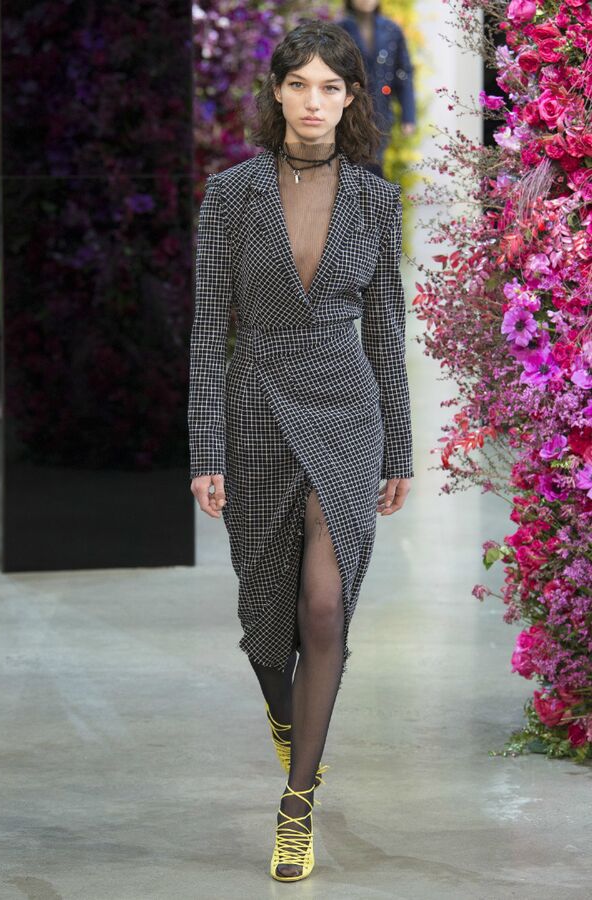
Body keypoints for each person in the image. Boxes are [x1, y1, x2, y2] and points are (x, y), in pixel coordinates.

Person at [188, 19, 414, 883]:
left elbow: (386, 331)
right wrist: (205, 445)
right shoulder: (229, 195)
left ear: (351, 98)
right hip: (255, 404)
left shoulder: (375, 202)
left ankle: (297, 802)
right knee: (264, 619)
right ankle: (286, 713)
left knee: (323, 605)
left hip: (346, 408)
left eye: (330, 86)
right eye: (298, 85)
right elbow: (208, 329)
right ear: (276, 93)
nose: (313, 102)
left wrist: (398, 447)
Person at [338, 0, 416, 175]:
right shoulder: (339, 31)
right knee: (348, 167)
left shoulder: (392, 31)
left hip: (381, 113)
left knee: (374, 165)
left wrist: (408, 117)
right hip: (346, 113)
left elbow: (404, 74)